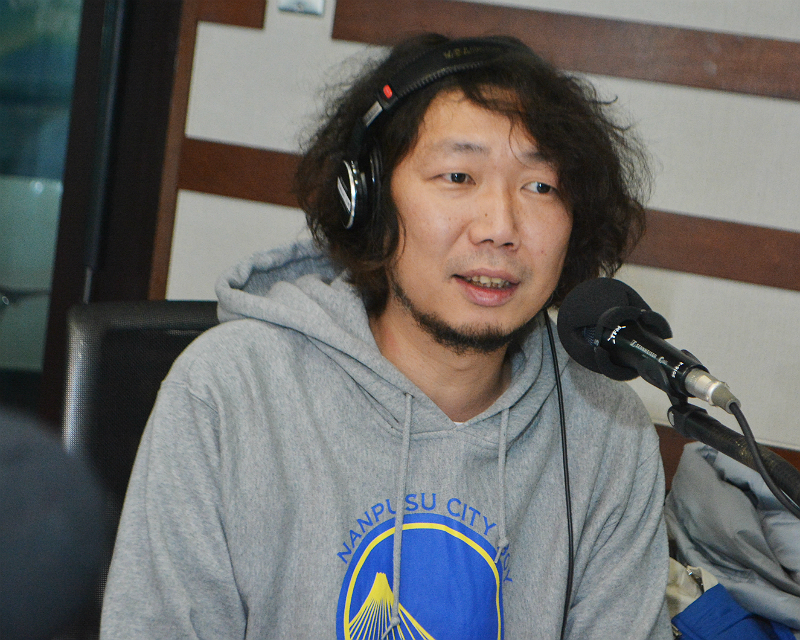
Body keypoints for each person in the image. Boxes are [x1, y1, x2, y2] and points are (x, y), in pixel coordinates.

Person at [100, 34, 671, 639]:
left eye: (541, 187)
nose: (500, 227)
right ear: (367, 200)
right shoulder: (230, 391)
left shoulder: (605, 429)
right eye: (458, 175)